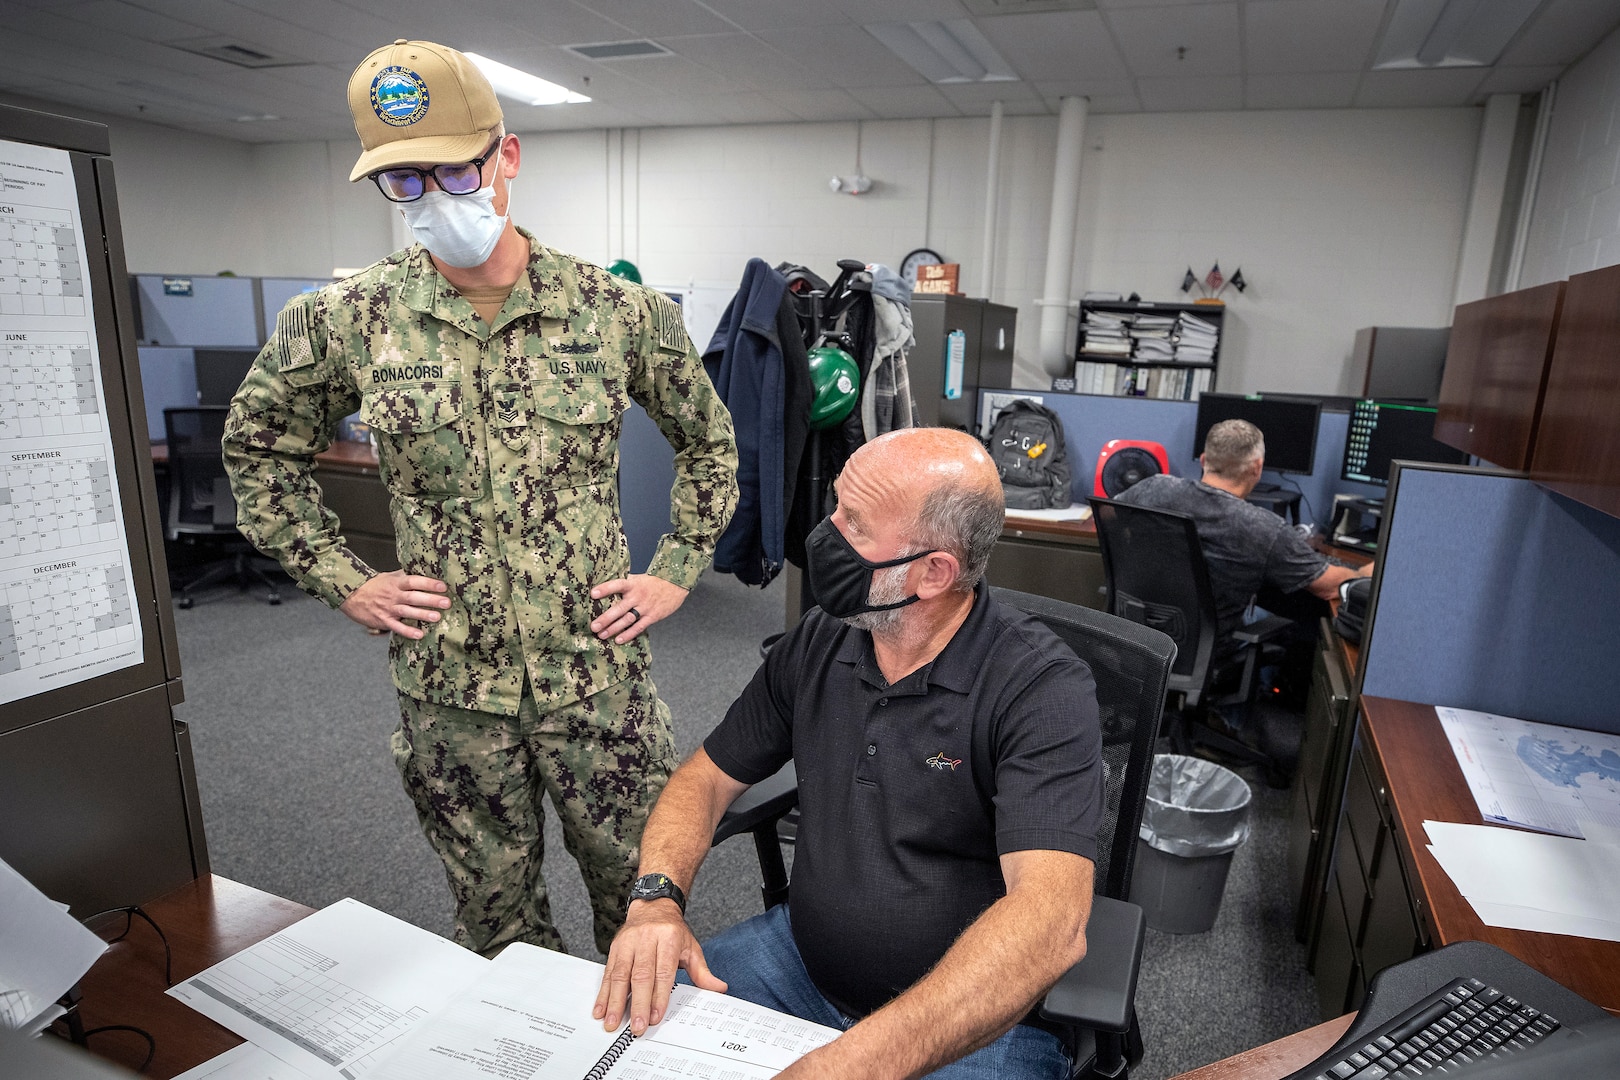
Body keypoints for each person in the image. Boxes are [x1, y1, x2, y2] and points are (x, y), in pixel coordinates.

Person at [222, 40, 738, 959]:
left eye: (452, 169)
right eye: (404, 183)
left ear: (507, 153)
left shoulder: (617, 312)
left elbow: (711, 442)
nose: (432, 200)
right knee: (498, 933)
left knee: (645, 918)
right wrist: (345, 579)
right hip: (451, 694)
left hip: (598, 683)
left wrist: (676, 570)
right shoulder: (343, 319)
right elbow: (257, 450)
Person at [593, 428, 1103, 1080]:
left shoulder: (1040, 689)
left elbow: (1051, 921)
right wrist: (657, 899)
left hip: (972, 1018)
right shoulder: (824, 639)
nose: (826, 534)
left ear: (933, 572)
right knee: (623, 1052)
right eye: (836, 506)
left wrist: (851, 1064)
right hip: (800, 964)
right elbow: (705, 779)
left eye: (854, 524)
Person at [1113, 418, 1371, 652]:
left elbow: (1107, 516)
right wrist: (1365, 574)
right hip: (1208, 646)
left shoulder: (1154, 487)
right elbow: (1328, 587)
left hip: (1139, 634)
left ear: (1204, 460)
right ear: (1257, 468)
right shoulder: (1264, 528)